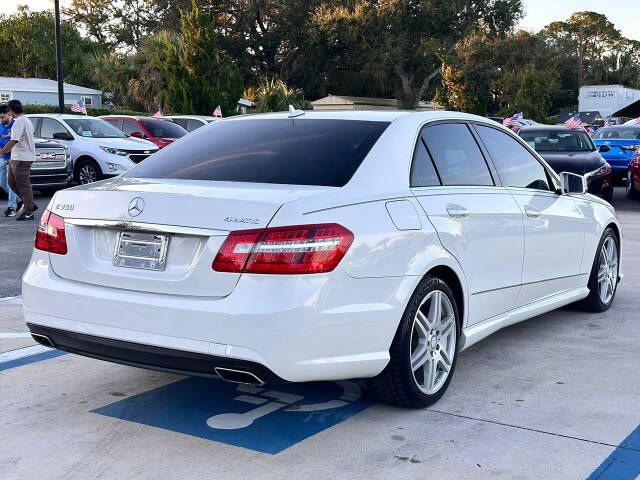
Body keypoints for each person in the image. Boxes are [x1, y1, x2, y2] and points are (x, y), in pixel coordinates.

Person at [0, 100, 37, 221]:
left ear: (11, 110)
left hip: (23, 158)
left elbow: (14, 140)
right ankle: (29, 203)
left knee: (23, 185)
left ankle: (29, 211)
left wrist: (1, 152)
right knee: (11, 183)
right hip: (15, 157)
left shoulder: (21, 121)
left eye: (9, 110)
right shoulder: (23, 121)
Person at [0, 104, 18, 216]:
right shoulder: (0, 126)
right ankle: (20, 200)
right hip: (2, 157)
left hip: (14, 157)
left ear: (9, 114)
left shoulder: (16, 125)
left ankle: (11, 207)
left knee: (11, 183)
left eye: (2, 117)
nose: (1, 120)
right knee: (2, 183)